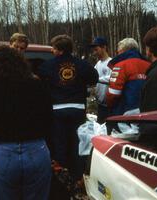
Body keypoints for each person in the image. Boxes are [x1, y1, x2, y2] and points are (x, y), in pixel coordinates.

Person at [0, 46, 52, 200]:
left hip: (4, 153)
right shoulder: (38, 86)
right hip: (36, 150)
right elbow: (49, 118)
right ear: (22, 63)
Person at [38, 35, 98, 197]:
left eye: (54, 48)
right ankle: (78, 176)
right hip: (77, 108)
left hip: (57, 110)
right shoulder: (82, 64)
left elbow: (40, 79)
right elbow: (94, 77)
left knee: (59, 143)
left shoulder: (48, 65)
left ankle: (60, 178)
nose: (52, 50)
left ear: (60, 50)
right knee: (76, 143)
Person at [106, 38, 150, 140]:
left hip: (124, 116)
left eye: (118, 52)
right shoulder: (150, 65)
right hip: (146, 115)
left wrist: (108, 106)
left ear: (123, 51)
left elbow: (113, 94)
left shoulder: (120, 65)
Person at [89, 37, 112, 124]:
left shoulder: (111, 62)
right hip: (100, 105)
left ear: (104, 47)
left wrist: (97, 79)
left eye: (96, 49)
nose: (94, 52)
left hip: (109, 106)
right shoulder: (98, 64)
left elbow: (112, 78)